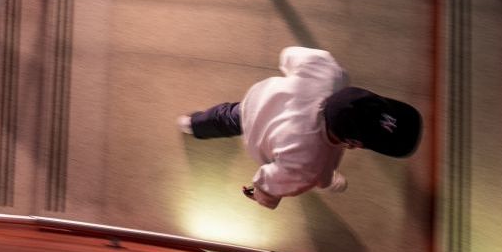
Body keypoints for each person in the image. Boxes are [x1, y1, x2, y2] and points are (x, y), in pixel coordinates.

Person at [178, 46, 423, 209]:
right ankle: (328, 183)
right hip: (263, 137)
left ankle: (194, 124)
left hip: (256, 103)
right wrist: (262, 195)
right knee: (322, 173)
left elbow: (289, 55)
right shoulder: (309, 164)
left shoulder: (329, 73)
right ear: (354, 144)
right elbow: (270, 181)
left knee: (223, 117)